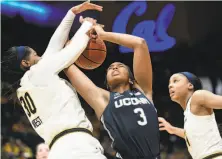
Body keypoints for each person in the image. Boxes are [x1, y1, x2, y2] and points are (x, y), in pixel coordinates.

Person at [2, 2, 107, 159]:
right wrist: (86, 25)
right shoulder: (37, 74)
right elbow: (71, 50)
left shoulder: (28, 84)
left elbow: (54, 47)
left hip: (59, 149)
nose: (42, 57)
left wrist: (72, 13)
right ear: (25, 63)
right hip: (77, 147)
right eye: (37, 55)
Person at [64, 25, 160, 159]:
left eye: (120, 66)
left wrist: (102, 35)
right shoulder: (103, 99)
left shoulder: (143, 91)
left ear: (131, 79)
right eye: (110, 68)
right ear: (107, 82)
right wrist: (73, 43)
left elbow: (140, 43)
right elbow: (66, 65)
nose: (115, 67)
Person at [159, 72, 222, 159]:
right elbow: (192, 135)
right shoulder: (188, 112)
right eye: (169, 83)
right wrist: (172, 129)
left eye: (175, 81)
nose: (170, 85)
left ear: (190, 85)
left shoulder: (198, 96)